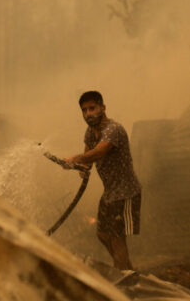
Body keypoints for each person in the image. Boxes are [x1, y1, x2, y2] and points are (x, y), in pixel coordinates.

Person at [64, 90, 141, 270]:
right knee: (102, 234)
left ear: (103, 108)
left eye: (92, 108)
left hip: (126, 193)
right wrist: (82, 168)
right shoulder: (91, 132)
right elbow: (88, 157)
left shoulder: (114, 129)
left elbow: (98, 152)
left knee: (117, 238)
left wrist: (75, 159)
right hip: (110, 193)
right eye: (84, 110)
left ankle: (122, 281)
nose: (88, 114)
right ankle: (128, 273)